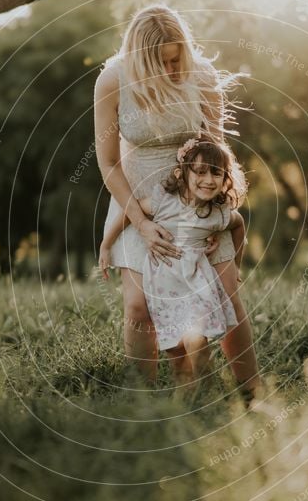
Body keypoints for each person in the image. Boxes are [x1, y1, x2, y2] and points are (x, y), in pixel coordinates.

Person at [93, 3, 263, 401]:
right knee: (138, 308)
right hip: (137, 198)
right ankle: (143, 404)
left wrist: (208, 212)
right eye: (162, 63)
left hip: (198, 197)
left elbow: (216, 147)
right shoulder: (112, 80)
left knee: (226, 297)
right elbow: (107, 161)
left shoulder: (201, 76)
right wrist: (141, 221)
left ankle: (253, 395)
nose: (172, 70)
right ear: (139, 58)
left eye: (176, 59)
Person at [99, 135, 249, 396]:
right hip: (163, 289)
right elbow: (127, 215)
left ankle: (207, 389)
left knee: (196, 339)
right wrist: (105, 244)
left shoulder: (218, 212)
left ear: (225, 179)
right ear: (183, 173)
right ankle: (186, 400)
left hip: (196, 284)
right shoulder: (163, 201)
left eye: (216, 173)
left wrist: (236, 262)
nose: (208, 180)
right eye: (200, 172)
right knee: (176, 354)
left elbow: (239, 226)